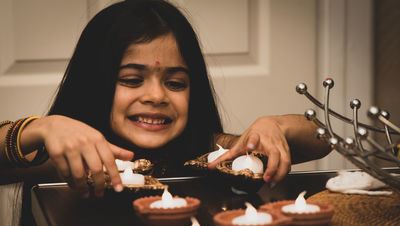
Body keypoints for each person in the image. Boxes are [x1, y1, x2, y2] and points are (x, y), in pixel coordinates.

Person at [0, 0, 331, 198]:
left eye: (175, 83)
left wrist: (275, 127)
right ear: (94, 85)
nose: (157, 96)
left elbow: (324, 138)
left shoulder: (212, 156)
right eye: (132, 80)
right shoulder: (67, 163)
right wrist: (43, 128)